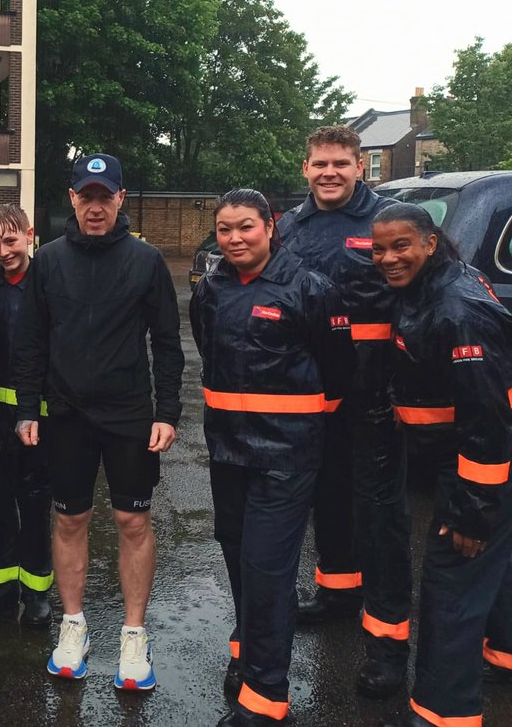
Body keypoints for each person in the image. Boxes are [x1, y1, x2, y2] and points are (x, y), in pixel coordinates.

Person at [373, 204, 512, 727]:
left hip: (498, 446)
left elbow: (485, 419)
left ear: (430, 242)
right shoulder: (431, 283)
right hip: (483, 438)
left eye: (401, 245)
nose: (388, 257)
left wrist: (472, 507)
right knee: (491, 555)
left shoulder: (456, 308)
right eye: (379, 248)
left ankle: (442, 711)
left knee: (455, 565)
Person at [12, 153, 183, 691]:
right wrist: (25, 407)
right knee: (70, 521)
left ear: (120, 199)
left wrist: (167, 413)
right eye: (85, 196)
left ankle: (134, 633)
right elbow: (31, 340)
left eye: (104, 196)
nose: (94, 206)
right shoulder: (49, 261)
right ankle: (74, 625)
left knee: (133, 523)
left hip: (130, 416)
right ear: (71, 199)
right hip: (66, 416)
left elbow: (167, 343)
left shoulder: (146, 261)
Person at [191, 189, 355, 726]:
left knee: (266, 569)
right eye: (224, 229)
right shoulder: (211, 290)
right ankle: (250, 651)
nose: (234, 238)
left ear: (269, 227)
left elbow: (337, 374)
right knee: (236, 554)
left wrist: (301, 427)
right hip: (228, 451)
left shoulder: (311, 290)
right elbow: (209, 352)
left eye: (245, 227)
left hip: (285, 456)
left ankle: (265, 698)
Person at [275, 125, 411, 697]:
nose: (329, 172)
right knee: (326, 496)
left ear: (360, 166)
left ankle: (386, 647)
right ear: (304, 168)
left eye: (341, 163)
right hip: (314, 391)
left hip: (374, 393)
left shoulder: (389, 223)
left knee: (379, 517)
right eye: (319, 163)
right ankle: (336, 591)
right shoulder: (290, 226)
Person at [0, 203, 53, 629]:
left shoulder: (47, 283)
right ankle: (1, 589)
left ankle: (37, 593)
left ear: (29, 233)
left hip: (37, 418)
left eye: (10, 240)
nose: (3, 251)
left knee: (35, 505)